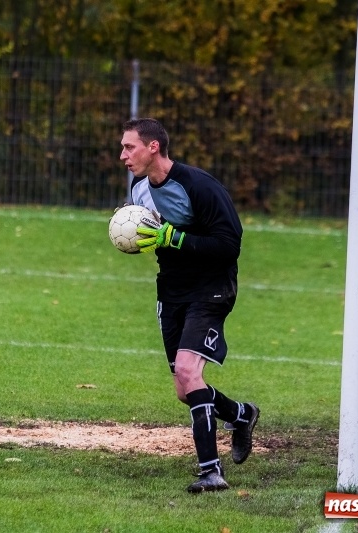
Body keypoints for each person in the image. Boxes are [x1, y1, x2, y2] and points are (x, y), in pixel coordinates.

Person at [119, 117, 259, 493]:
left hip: (212, 287)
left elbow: (229, 246)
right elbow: (154, 236)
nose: (123, 156)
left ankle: (211, 471)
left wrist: (173, 237)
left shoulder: (199, 186)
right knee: (185, 388)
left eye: (129, 147)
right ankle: (242, 415)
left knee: (187, 370)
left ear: (153, 147)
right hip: (172, 291)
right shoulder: (138, 190)